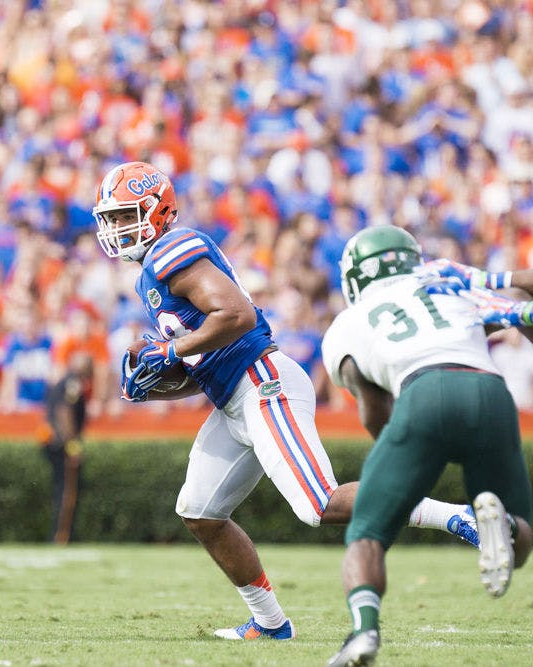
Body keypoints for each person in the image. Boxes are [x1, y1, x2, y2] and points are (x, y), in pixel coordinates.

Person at [93, 161, 479, 641]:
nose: (115, 228)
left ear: (157, 210)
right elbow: (205, 363)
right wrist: (160, 381)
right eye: (109, 218)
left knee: (318, 502)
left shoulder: (173, 248)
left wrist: (168, 348)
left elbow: (234, 316)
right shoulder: (151, 273)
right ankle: (271, 623)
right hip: (233, 395)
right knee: (199, 512)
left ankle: (456, 515)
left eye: (124, 215)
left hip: (262, 383)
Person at [322, 229, 533, 666]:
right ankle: (504, 530)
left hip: (422, 393)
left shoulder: (348, 322)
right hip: (491, 392)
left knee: (367, 533)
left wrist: (398, 462)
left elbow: (374, 409)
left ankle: (364, 633)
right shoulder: (450, 290)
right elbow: (524, 314)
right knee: (522, 541)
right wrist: (496, 279)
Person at [40, 351, 92, 545]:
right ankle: (61, 536)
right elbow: (64, 412)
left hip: (54, 441)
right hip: (60, 444)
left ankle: (62, 534)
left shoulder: (65, 381)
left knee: (64, 489)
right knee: (67, 491)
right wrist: (72, 445)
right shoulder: (73, 383)